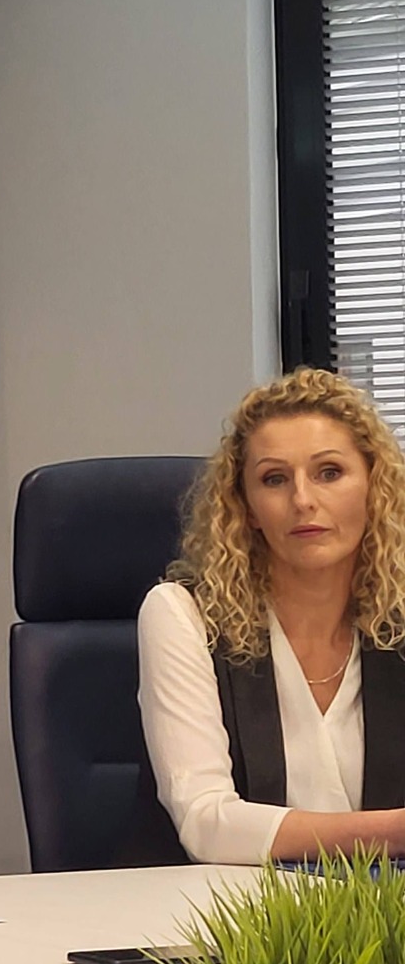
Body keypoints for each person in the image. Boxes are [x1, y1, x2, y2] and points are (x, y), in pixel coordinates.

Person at [140, 368, 405, 864]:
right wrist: (393, 832)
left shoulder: (400, 615)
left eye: (329, 472)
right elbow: (205, 822)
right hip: (233, 907)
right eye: (275, 479)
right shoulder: (184, 614)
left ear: (375, 487)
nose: (303, 500)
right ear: (247, 507)